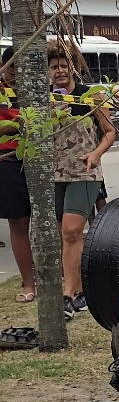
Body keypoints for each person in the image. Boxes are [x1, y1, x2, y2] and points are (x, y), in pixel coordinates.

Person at [49, 41, 115, 318]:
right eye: (54, 67)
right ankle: (79, 290)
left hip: (84, 173)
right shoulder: (44, 99)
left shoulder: (91, 96)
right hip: (53, 175)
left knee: (72, 231)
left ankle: (68, 294)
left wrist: (96, 154)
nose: (60, 71)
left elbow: (110, 131)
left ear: (74, 68)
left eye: (64, 65)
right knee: (63, 234)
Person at [0, 46, 35, 303]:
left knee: (54, 222)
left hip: (40, 158)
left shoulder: (38, 90)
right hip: (9, 160)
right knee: (18, 221)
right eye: (13, 68)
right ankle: (28, 282)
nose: (17, 74)